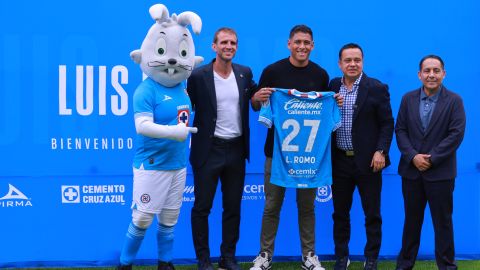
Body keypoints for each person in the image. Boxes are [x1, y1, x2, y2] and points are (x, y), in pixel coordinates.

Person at [250, 24, 342, 270]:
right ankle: (265, 255)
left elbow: (325, 114)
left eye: (307, 43)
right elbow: (258, 106)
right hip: (277, 154)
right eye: (298, 42)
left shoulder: (321, 75)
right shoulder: (272, 71)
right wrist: (256, 99)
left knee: (307, 207)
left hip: (309, 157)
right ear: (289, 44)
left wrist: (335, 102)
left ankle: (309, 256)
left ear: (312, 46)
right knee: (271, 206)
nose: (302, 46)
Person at [118, 4, 202, 270]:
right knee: (142, 218)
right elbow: (142, 126)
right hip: (151, 165)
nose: (173, 61)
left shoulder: (183, 88)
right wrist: (173, 133)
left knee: (170, 219)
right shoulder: (146, 90)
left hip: (177, 165)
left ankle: (165, 263)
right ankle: (125, 264)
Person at [187, 27, 257, 270]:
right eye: (224, 42)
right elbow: (185, 108)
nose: (229, 46)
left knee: (233, 207)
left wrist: (261, 98)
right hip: (208, 150)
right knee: (202, 207)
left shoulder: (245, 74)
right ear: (214, 46)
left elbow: (256, 102)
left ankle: (228, 257)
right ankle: (203, 259)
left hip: (236, 150)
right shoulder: (198, 76)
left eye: (233, 43)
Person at [395, 55, 466, 270]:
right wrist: (413, 156)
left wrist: (432, 159)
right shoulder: (407, 99)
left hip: (441, 174)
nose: (431, 75)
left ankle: (446, 266)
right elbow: (400, 130)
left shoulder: (454, 101)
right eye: (427, 71)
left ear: (444, 73)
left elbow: (456, 134)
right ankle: (404, 265)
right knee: (411, 223)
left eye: (436, 70)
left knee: (442, 223)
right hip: (411, 172)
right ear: (419, 74)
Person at [329, 43, 394, 270]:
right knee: (340, 213)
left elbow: (387, 123)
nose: (353, 64)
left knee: (372, 213)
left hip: (369, 162)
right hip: (339, 162)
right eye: (348, 60)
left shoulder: (375, 87)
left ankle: (371, 258)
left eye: (357, 60)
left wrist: (381, 151)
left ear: (362, 62)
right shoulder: (332, 86)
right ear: (340, 64)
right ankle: (341, 257)